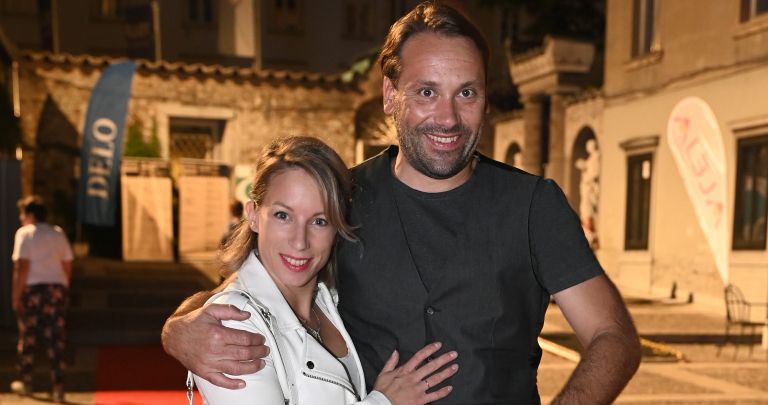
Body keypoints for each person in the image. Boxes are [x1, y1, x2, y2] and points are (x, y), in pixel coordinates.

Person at [162, 2, 641, 404]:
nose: (448, 118)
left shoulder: (534, 206)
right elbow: (254, 284)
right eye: (427, 92)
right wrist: (178, 330)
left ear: (486, 99)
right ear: (391, 95)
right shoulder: (340, 197)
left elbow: (613, 336)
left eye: (466, 93)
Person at [189, 136, 458, 404]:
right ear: (253, 216)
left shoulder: (329, 299)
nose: (300, 241)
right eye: (283, 215)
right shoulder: (235, 323)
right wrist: (385, 401)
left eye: (319, 221)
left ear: (337, 228)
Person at [11, 195, 73, 403]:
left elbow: (22, 267)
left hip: (33, 291)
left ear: (30, 215)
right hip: (56, 289)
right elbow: (67, 264)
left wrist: (16, 295)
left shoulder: (25, 233)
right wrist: (63, 287)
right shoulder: (58, 233)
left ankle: (26, 381)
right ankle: (59, 386)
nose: (20, 218)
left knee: (28, 336)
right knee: (56, 338)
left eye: (22, 214)